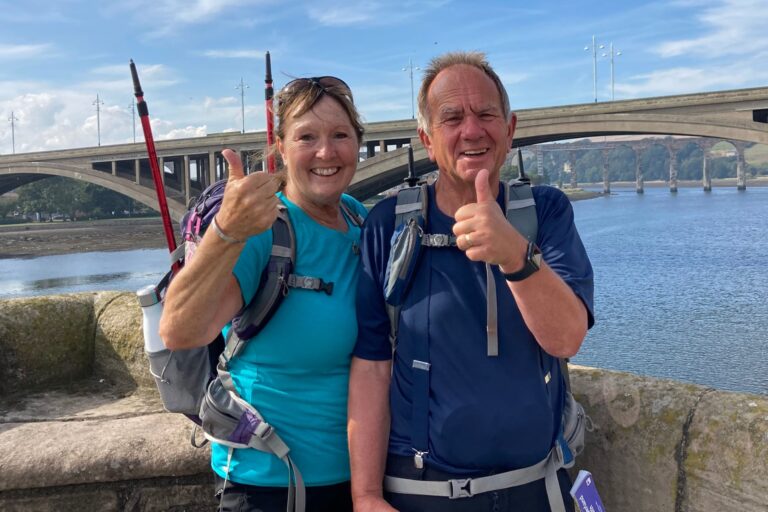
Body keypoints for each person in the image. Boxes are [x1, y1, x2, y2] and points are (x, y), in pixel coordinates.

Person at [348, 51, 594, 512]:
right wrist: (365, 495)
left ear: (510, 128)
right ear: (426, 138)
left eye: (486, 114)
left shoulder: (545, 213)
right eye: (452, 118)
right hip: (421, 494)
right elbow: (371, 367)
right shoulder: (388, 224)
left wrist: (514, 254)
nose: (472, 130)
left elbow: (566, 338)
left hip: (535, 488)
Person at [159, 75, 367, 512]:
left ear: (357, 144)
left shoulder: (360, 220)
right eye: (306, 137)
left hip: (361, 478)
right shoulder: (263, 231)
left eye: (340, 135)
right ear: (281, 147)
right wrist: (225, 231)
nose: (326, 152)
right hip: (269, 484)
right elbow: (179, 330)